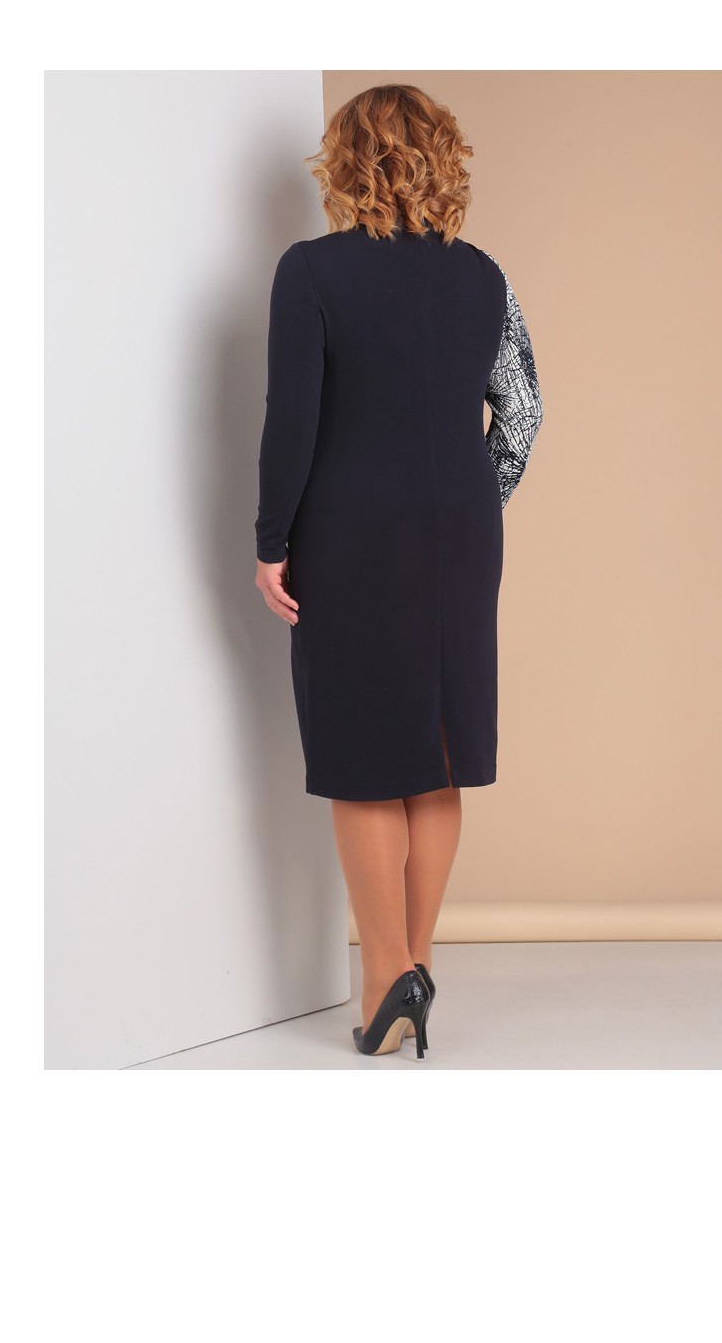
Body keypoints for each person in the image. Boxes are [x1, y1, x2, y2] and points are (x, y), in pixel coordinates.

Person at [253, 84, 543, 1058]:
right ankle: (415, 963)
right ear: (441, 159)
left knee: (365, 756)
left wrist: (271, 539)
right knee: (437, 751)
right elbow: (525, 411)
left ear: (344, 163)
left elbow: (293, 420)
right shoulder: (486, 277)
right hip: (460, 533)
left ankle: (386, 980)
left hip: (350, 536)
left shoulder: (310, 271)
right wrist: (470, 503)